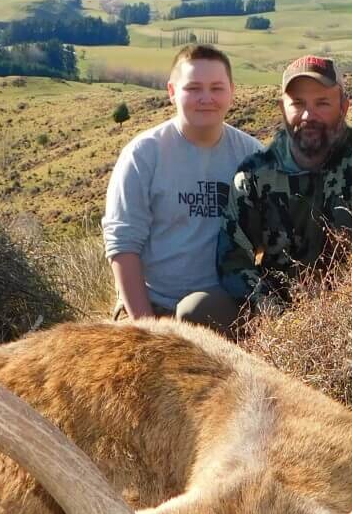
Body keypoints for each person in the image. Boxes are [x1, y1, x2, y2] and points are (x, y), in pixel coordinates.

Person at [210, 54, 352, 316]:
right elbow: (234, 259)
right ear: (282, 108)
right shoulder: (256, 172)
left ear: (344, 107)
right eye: (298, 103)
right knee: (198, 309)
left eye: (322, 103)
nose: (309, 115)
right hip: (275, 310)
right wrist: (274, 313)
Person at [101, 44, 261, 331]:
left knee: (195, 310)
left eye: (216, 88)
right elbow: (122, 244)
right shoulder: (143, 155)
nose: (206, 98)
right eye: (193, 88)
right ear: (172, 92)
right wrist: (147, 328)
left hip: (217, 305)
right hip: (150, 303)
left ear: (232, 92)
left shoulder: (252, 157)